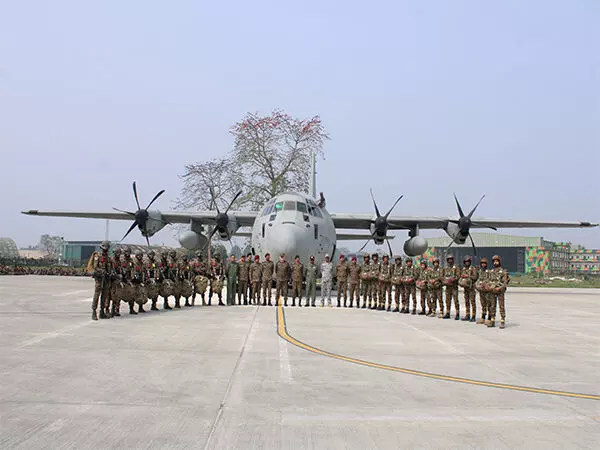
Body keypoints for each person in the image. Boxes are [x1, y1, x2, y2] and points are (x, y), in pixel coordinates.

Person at [90, 241, 112, 320]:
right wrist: (102, 272)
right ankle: (94, 311)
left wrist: (110, 273)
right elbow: (95, 267)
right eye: (104, 248)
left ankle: (102, 311)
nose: (105, 250)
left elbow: (110, 268)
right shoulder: (97, 256)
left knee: (105, 295)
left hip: (106, 279)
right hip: (99, 278)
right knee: (97, 294)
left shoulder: (108, 258)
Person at [488, 255, 510, 328]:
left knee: (501, 306)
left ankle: (502, 321)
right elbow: (489, 280)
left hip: (500, 291)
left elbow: (505, 282)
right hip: (492, 291)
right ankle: (492, 320)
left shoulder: (503, 272)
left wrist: (499, 288)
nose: (495, 263)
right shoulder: (491, 271)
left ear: (499, 262)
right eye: (494, 261)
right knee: (492, 306)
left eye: (497, 261)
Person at [459, 255, 479, 322]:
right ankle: (467, 314)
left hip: (471, 288)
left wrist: (468, 276)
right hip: (466, 288)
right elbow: (461, 276)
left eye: (468, 261)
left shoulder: (473, 269)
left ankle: (473, 315)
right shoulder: (464, 269)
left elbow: (475, 277)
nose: (467, 263)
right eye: (466, 261)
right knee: (466, 302)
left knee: (472, 302)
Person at [441, 254, 460, 320]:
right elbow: (441, 276)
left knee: (456, 300)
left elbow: (458, 276)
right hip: (448, 287)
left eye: (451, 259)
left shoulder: (456, 267)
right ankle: (448, 313)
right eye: (449, 259)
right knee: (447, 300)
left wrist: (452, 279)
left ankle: (457, 313)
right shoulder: (445, 268)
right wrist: (444, 280)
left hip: (454, 286)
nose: (450, 261)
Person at [475, 258, 490, 324]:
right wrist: (477, 285)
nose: (483, 265)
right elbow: (478, 279)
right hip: (481, 291)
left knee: (489, 304)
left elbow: (489, 280)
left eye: (484, 263)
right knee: (483, 304)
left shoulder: (489, 272)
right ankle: (483, 317)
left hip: (487, 291)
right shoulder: (480, 271)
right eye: (482, 263)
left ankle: (489, 318)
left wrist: (485, 284)